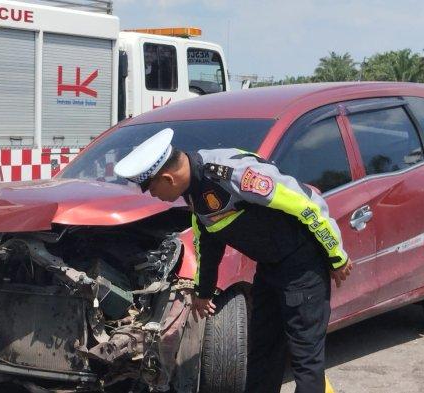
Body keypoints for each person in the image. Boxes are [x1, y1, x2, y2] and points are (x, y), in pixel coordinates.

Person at [113, 128, 353, 393]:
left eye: (152, 188)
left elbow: (306, 204)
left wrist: (336, 256)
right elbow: (207, 241)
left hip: (303, 266)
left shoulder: (233, 175)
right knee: (262, 352)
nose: (153, 196)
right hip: (270, 269)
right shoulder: (194, 191)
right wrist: (203, 292)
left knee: (305, 359)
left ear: (168, 178)